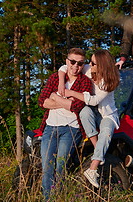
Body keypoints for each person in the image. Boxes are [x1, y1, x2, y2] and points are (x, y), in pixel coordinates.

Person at [36, 48, 93, 201]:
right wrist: (65, 102)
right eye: (72, 62)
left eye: (80, 63)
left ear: (83, 65)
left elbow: (77, 107)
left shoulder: (85, 82)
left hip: (71, 129)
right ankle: (47, 199)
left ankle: (59, 197)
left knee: (61, 167)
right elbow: (42, 101)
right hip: (49, 127)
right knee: (47, 167)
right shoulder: (55, 78)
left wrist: (54, 97)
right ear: (67, 61)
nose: (76, 66)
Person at [58, 49, 120, 188]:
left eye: (93, 63)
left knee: (106, 131)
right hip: (92, 112)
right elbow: (65, 66)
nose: (89, 65)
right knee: (84, 111)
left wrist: (71, 92)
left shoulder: (109, 81)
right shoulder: (88, 69)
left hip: (106, 114)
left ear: (102, 65)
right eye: (90, 62)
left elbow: (94, 100)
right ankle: (98, 149)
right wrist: (61, 83)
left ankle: (93, 168)